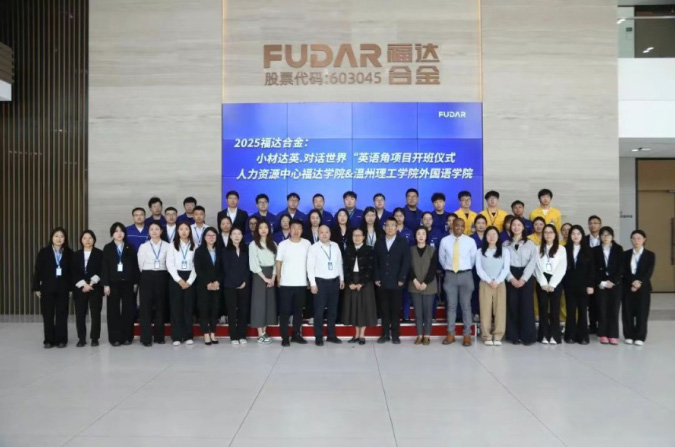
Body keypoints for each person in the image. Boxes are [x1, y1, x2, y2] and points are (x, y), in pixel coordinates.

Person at [439, 218, 477, 347]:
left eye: (462, 226)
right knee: (451, 306)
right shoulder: (445, 241)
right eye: (457, 225)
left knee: (466, 306)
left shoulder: (470, 241)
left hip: (466, 275)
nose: (459, 228)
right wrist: (450, 269)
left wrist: (464, 268)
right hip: (450, 275)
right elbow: (442, 259)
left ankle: (467, 335)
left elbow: (473, 259)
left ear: (464, 227)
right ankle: (451, 334)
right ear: (452, 226)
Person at [33, 227, 73, 348]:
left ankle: (61, 340)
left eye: (62, 236)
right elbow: (38, 270)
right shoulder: (44, 252)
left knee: (62, 314)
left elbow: (72, 273)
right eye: (56, 236)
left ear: (65, 239)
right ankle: (49, 340)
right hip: (47, 288)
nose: (59, 238)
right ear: (52, 238)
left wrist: (71, 288)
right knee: (48, 314)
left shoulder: (69, 253)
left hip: (63, 288)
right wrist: (36, 288)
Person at [373, 217, 411, 344]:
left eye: (393, 225)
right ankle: (385, 334)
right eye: (387, 225)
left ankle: (395, 334)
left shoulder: (402, 242)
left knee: (395, 309)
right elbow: (375, 262)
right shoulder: (379, 242)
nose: (390, 228)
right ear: (384, 227)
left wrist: (402, 278)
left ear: (397, 227)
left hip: (397, 281)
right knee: (384, 309)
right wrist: (376, 277)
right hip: (382, 281)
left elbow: (406, 262)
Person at [101, 223, 139, 346]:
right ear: (112, 234)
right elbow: (104, 267)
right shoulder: (108, 248)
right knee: (113, 310)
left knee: (128, 310)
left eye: (121, 231)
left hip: (128, 283)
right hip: (113, 283)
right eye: (116, 231)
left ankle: (127, 337)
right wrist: (106, 284)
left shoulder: (130, 247)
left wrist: (135, 282)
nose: (119, 233)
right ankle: (115, 338)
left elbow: (135, 265)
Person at [307, 225, 345, 346]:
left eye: (326, 232)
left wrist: (341, 279)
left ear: (330, 233)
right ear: (318, 234)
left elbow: (339, 263)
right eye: (321, 232)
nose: (324, 234)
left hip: (334, 281)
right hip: (320, 282)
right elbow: (310, 267)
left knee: (333, 311)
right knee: (319, 311)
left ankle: (331, 335)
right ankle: (318, 336)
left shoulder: (335, 245)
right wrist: (313, 284)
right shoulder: (313, 248)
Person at [276, 219, 311, 346]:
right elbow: (278, 262)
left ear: (302, 230)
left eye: (299, 228)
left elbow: (310, 263)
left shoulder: (307, 243)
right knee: (285, 311)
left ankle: (296, 334)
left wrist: (309, 280)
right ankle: (285, 337)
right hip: (286, 283)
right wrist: (278, 279)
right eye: (294, 228)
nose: (296, 230)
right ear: (289, 229)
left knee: (298, 311)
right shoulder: (283, 244)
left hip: (301, 283)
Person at [503, 217, 538, 345]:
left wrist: (523, 279)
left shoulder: (531, 244)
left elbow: (533, 263)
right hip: (511, 274)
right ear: (510, 227)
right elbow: (503, 263)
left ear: (523, 227)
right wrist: (511, 278)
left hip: (526, 276)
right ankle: (513, 335)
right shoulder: (505, 244)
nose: (516, 227)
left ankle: (527, 336)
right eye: (514, 225)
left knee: (526, 306)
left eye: (519, 225)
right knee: (512, 305)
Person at [475, 226, 510, 346]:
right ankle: (486, 335)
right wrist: (489, 280)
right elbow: (479, 269)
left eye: (494, 234)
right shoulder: (480, 251)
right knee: (485, 310)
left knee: (500, 310)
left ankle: (498, 335)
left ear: (498, 236)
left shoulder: (504, 251)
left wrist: (498, 280)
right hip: (485, 283)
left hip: (500, 283)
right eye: (489, 234)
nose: (491, 237)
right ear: (485, 237)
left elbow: (506, 268)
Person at [137, 222, 169, 346]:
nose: (154, 231)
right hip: (147, 276)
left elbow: (169, 262)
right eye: (151, 229)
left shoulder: (167, 246)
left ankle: (159, 336)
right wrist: (149, 273)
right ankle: (146, 337)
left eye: (157, 229)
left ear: (161, 231)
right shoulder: (143, 246)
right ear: (148, 232)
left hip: (162, 276)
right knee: (146, 307)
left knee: (161, 306)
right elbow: (140, 264)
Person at [342, 228, 377, 345]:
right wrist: (350, 282)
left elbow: (371, 268)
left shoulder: (369, 249)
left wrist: (361, 283)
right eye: (354, 235)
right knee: (354, 308)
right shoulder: (348, 249)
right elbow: (345, 268)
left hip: (365, 282)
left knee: (364, 308)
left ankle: (362, 335)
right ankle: (356, 334)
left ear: (363, 237)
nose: (357, 238)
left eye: (359, 235)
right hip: (351, 281)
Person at [534, 224, 567, 345]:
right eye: (546, 232)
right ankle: (543, 335)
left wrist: (553, 284)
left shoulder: (561, 249)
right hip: (541, 280)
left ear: (555, 235)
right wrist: (543, 282)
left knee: (555, 309)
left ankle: (554, 335)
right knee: (542, 309)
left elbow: (562, 267)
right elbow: (536, 267)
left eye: (551, 232)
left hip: (556, 280)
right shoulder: (537, 248)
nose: (548, 235)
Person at [622, 230, 655, 346]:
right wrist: (632, 282)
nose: (636, 241)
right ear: (631, 240)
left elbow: (648, 272)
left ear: (644, 240)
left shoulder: (650, 255)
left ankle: (640, 336)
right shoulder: (625, 254)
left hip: (643, 287)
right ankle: (629, 335)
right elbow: (624, 271)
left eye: (639, 238)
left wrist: (638, 283)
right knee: (627, 312)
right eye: (634, 238)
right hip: (628, 287)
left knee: (642, 312)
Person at [71, 230, 104, 347]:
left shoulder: (100, 253)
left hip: (96, 288)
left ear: (94, 240)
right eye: (85, 238)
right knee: (80, 314)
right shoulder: (75, 255)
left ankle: (95, 338)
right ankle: (81, 338)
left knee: (96, 314)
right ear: (81, 240)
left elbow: (102, 269)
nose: (87, 240)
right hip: (80, 288)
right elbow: (73, 271)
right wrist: (83, 284)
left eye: (90, 238)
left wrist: (91, 283)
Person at [166, 222, 197, 346]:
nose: (184, 231)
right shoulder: (172, 245)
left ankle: (188, 335)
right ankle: (176, 336)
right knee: (176, 307)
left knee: (188, 307)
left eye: (186, 229)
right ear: (177, 231)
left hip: (190, 277)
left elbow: (196, 265)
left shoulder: (195, 245)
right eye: (181, 229)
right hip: (176, 278)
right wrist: (178, 279)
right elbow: (170, 264)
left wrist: (189, 281)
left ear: (190, 231)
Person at [593, 226, 624, 345]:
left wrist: (613, 281)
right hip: (601, 284)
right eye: (603, 235)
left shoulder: (618, 249)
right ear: (600, 237)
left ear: (612, 236)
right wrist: (600, 282)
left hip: (614, 284)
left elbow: (621, 267)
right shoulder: (595, 250)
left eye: (608, 235)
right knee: (602, 309)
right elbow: (593, 269)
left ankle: (613, 334)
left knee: (614, 309)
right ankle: (603, 334)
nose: (605, 237)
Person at [564, 225, 594, 345]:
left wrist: (590, 285)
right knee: (570, 311)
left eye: (578, 234)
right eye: (573, 234)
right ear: (569, 236)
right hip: (569, 284)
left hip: (584, 285)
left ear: (582, 235)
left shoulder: (589, 250)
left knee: (582, 311)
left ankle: (583, 336)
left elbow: (592, 269)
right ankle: (570, 335)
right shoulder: (564, 249)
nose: (575, 236)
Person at [409, 226, 439, 345]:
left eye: (423, 234)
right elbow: (408, 267)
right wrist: (415, 280)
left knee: (428, 312)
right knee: (418, 312)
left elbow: (433, 268)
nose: (421, 236)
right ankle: (419, 335)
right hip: (414, 284)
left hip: (429, 285)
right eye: (418, 234)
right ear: (415, 236)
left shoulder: (432, 250)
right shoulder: (410, 250)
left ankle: (427, 335)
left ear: (426, 236)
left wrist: (425, 282)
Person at [249, 220, 277, 344]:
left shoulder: (273, 244)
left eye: (266, 227)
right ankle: (260, 334)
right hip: (259, 276)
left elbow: (277, 262)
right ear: (257, 230)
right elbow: (253, 264)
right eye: (261, 227)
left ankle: (265, 332)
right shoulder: (253, 244)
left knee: (268, 304)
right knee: (259, 303)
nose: (263, 230)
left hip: (271, 275)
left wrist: (273, 277)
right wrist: (265, 278)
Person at [222, 227, 250, 344]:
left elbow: (248, 267)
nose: (237, 236)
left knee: (243, 310)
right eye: (234, 234)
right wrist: (235, 282)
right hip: (230, 285)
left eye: (239, 234)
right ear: (230, 236)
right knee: (232, 311)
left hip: (244, 284)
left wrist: (244, 281)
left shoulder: (246, 250)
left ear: (242, 236)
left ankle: (242, 335)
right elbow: (225, 268)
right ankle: (233, 336)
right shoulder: (225, 250)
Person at [194, 227, 221, 345]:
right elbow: (198, 269)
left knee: (215, 310)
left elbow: (223, 269)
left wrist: (217, 282)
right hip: (203, 285)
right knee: (204, 310)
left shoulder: (220, 251)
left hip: (217, 285)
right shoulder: (199, 251)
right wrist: (207, 283)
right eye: (208, 235)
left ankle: (213, 333)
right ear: (204, 237)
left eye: (213, 235)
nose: (211, 237)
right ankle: (206, 333)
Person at [584, 215, 602, 333]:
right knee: (589, 302)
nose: (593, 225)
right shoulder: (584, 240)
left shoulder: (605, 238)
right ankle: (592, 325)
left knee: (600, 302)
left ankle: (602, 325)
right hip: (587, 275)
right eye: (590, 223)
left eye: (595, 223)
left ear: (600, 225)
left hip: (601, 276)